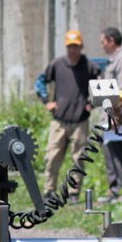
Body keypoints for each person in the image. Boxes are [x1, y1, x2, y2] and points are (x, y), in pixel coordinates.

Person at [41, 30, 96, 190]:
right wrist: (47, 101)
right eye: (70, 46)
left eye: (76, 46)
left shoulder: (89, 66)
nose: (73, 50)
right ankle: (49, 190)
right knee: (52, 156)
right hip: (59, 120)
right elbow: (40, 82)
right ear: (66, 47)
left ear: (81, 47)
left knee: (79, 158)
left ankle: (73, 191)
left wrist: (92, 103)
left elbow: (102, 84)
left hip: (80, 121)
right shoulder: (57, 64)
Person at [97, 27, 122, 198]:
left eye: (103, 42)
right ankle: (115, 190)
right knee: (111, 152)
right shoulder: (115, 58)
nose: (103, 46)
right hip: (110, 115)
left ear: (112, 41)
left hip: (119, 116)